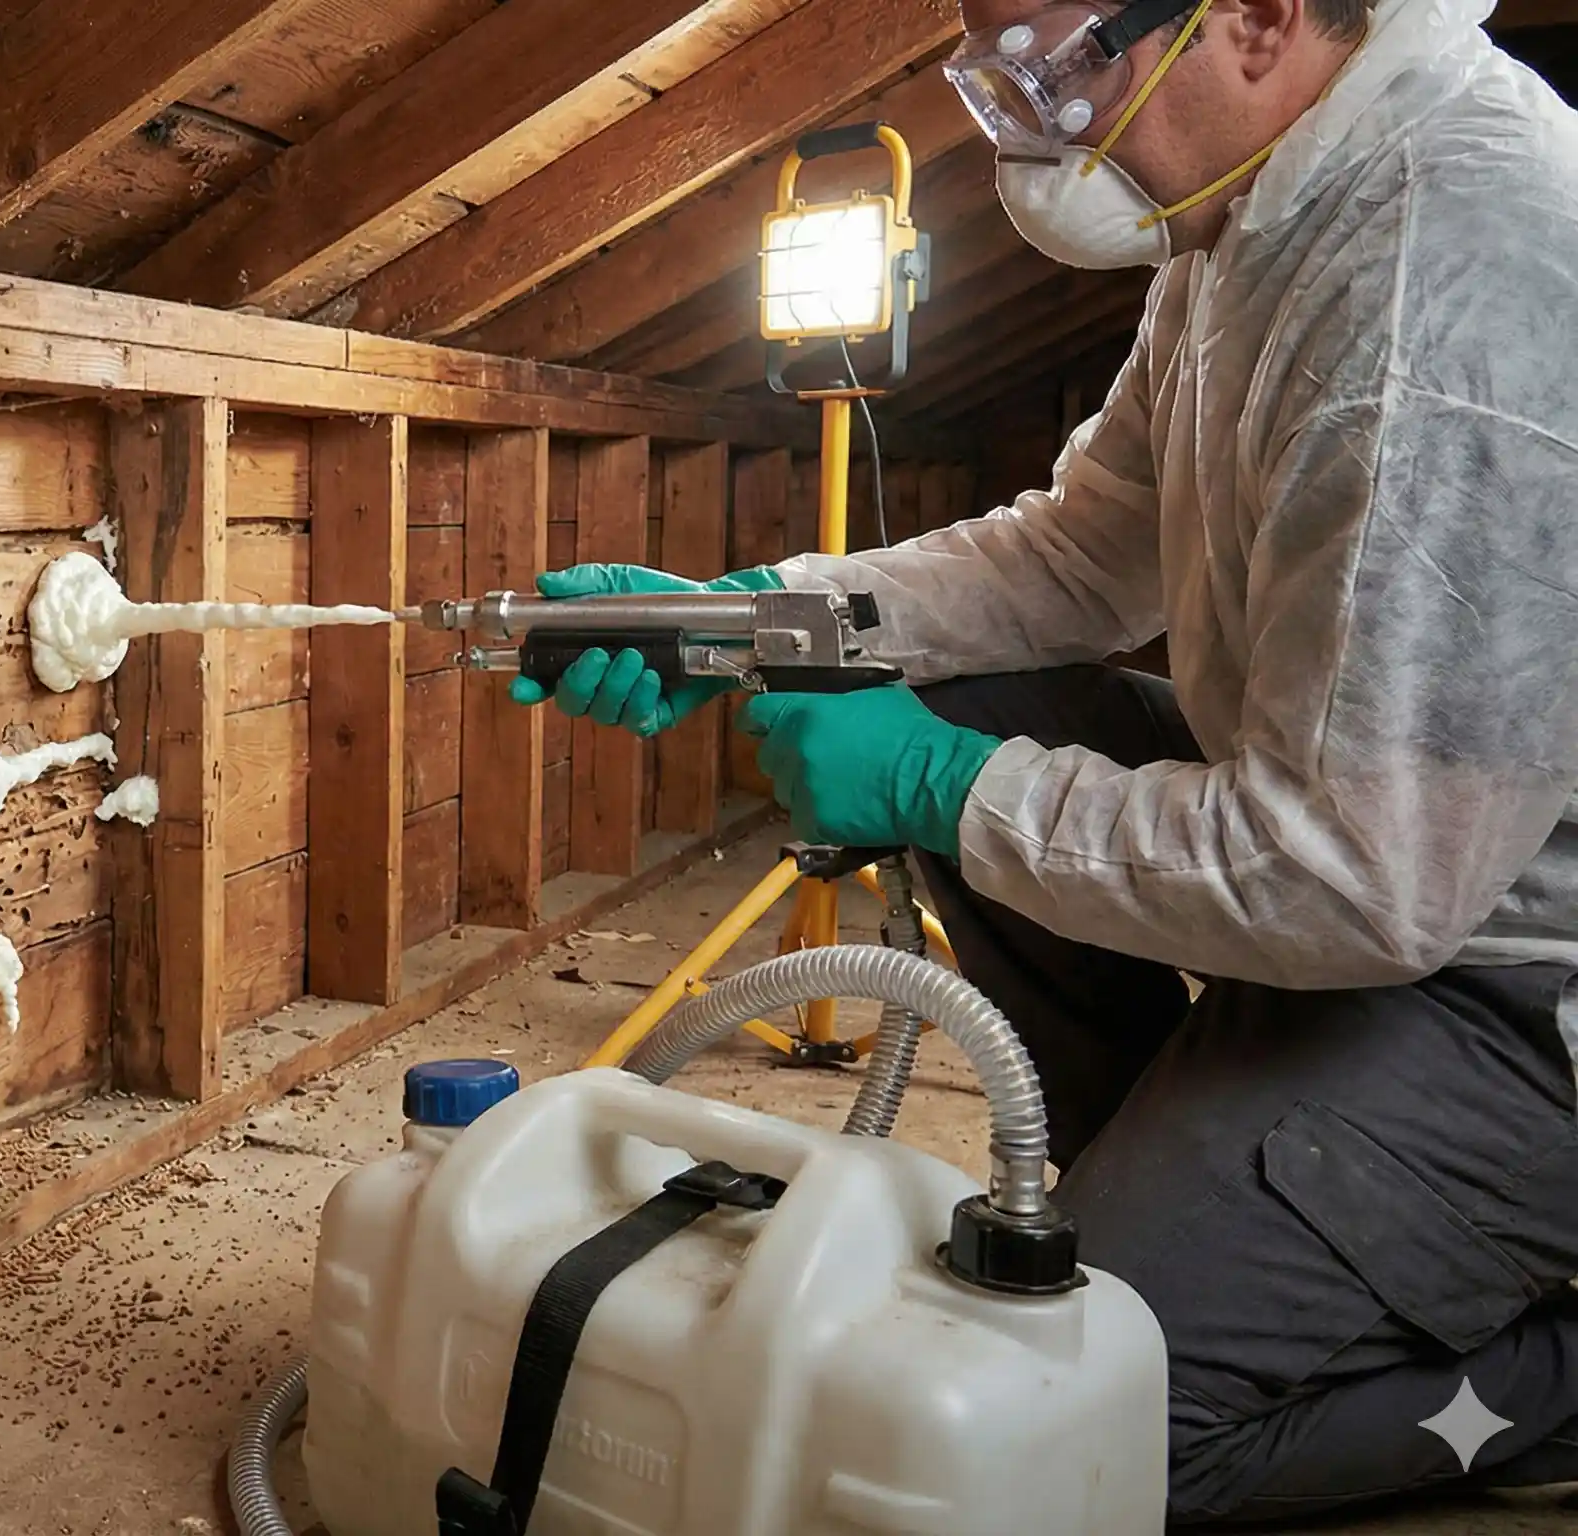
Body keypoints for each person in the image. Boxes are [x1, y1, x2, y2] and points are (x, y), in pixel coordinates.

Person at [520, 0, 1578, 1520]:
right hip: (1396, 891)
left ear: (1261, 17)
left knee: (1058, 1430)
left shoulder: (1443, 298)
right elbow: (1085, 556)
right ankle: (1197, 1187)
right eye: (988, 78)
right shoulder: (1259, 205)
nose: (1026, 133)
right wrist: (753, 620)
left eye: (1050, 69)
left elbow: (1366, 876)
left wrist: (939, 787)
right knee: (974, 686)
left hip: (1515, 994)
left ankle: (1539, 1393)